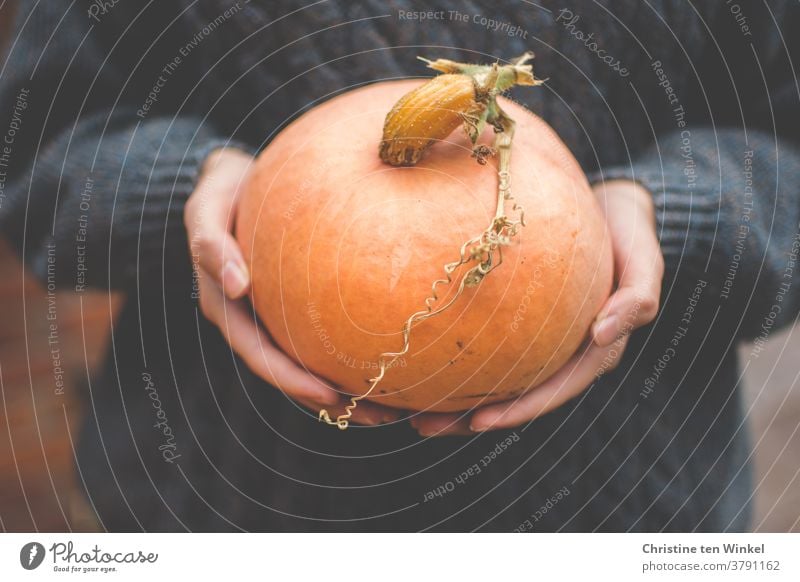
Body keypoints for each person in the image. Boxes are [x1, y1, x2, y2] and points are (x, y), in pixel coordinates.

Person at [0, 1, 797, 532]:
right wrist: (189, 189)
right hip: (222, 506)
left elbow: (784, 150)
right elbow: (40, 152)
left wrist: (669, 212)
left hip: (628, 510)